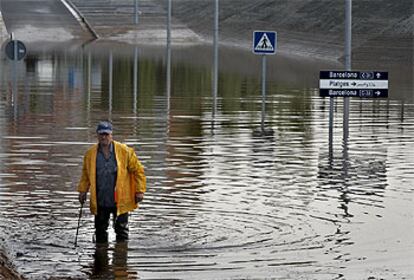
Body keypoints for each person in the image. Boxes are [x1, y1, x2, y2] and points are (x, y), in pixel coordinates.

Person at [77, 121, 146, 243]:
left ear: (111, 135)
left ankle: (121, 257)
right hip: (100, 198)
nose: (104, 137)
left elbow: (138, 171)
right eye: (101, 134)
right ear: (97, 135)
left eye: (106, 134)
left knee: (121, 230)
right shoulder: (90, 154)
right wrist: (82, 191)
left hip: (120, 198)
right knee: (100, 230)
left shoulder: (125, 151)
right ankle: (100, 256)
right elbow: (85, 175)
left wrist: (139, 191)